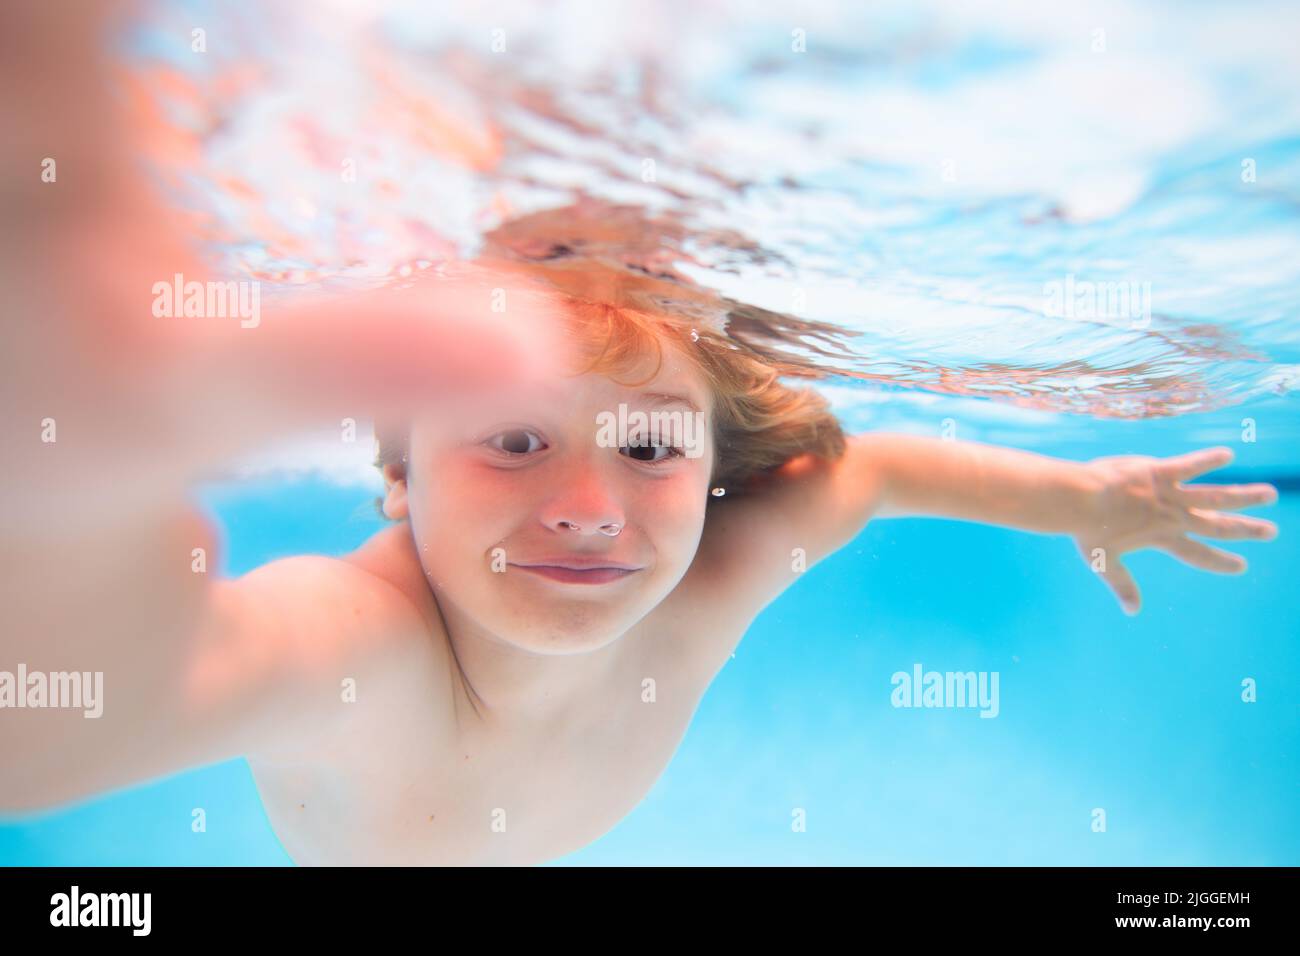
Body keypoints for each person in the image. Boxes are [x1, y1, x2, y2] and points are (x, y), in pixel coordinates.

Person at [0, 1, 1280, 865]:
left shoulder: (699, 586)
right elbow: (68, 723)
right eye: (510, 438)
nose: (592, 507)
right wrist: (71, 514)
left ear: (713, 468)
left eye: (653, 448)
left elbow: (877, 467)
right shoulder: (372, 647)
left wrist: (1088, 500)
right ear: (397, 474)